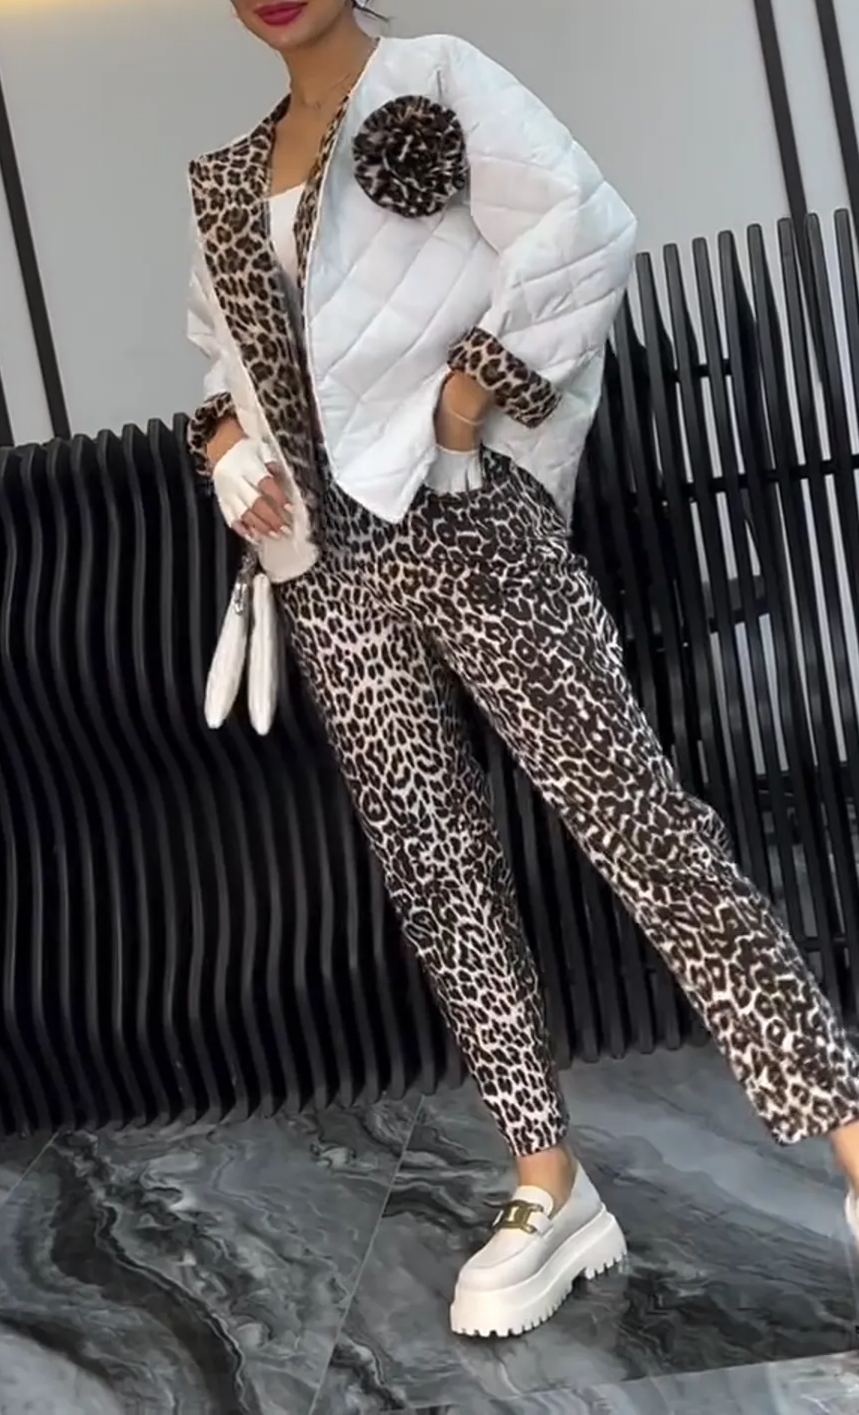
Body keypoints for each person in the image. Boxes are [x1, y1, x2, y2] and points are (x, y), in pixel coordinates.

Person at [186, 0, 859, 1340]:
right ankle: (548, 1182)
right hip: (324, 566)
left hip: (466, 514)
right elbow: (220, 361)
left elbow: (582, 230)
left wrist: (467, 399)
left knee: (636, 818)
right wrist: (221, 450)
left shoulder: (435, 77)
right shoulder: (223, 176)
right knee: (435, 872)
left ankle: (847, 1126)